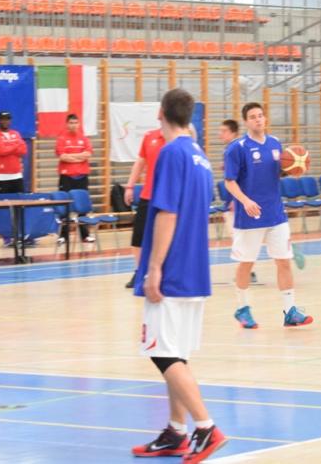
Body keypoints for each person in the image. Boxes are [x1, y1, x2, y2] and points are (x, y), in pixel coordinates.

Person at [131, 88, 227, 463]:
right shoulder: (200, 156)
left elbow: (168, 214)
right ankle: (176, 430)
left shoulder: (171, 153)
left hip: (172, 270)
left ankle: (206, 427)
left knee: (161, 353)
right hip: (195, 269)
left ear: (160, 113)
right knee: (175, 354)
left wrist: (154, 267)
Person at [224, 102, 313, 329]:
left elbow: (277, 173)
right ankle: (242, 309)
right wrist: (245, 201)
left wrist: (294, 169)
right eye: (253, 117)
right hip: (250, 216)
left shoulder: (275, 143)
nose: (258, 119)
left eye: (261, 115)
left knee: (284, 261)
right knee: (246, 264)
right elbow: (229, 182)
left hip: (275, 214)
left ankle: (290, 311)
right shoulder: (237, 148)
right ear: (246, 122)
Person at [122, 125, 165, 289]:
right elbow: (140, 162)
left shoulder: (178, 139)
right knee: (138, 238)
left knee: (164, 237)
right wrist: (129, 186)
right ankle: (140, 271)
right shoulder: (149, 136)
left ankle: (162, 272)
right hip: (147, 196)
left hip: (167, 197)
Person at [218, 119, 257, 284]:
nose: (220, 134)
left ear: (233, 132)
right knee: (241, 238)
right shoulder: (231, 149)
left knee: (240, 238)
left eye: (224, 131)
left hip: (236, 202)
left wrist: (236, 200)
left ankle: (249, 272)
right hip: (234, 200)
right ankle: (248, 271)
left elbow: (241, 178)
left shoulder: (237, 148)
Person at [55, 113, 94, 243]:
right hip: (66, 177)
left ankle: (85, 235)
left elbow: (87, 154)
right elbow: (63, 157)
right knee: (65, 206)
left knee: (82, 207)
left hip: (82, 177)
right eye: (71, 123)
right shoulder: (61, 139)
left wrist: (72, 157)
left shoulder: (84, 138)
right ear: (67, 124)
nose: (73, 125)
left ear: (79, 124)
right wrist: (79, 157)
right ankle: (63, 236)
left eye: (75, 123)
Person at [0, 111, 27, 195]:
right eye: (3, 119)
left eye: (7, 119)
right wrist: (16, 144)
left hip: (17, 176)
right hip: (1, 177)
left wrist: (8, 147)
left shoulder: (16, 133)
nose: (5, 121)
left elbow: (23, 150)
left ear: (10, 121)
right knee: (2, 202)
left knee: (19, 202)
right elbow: (2, 151)